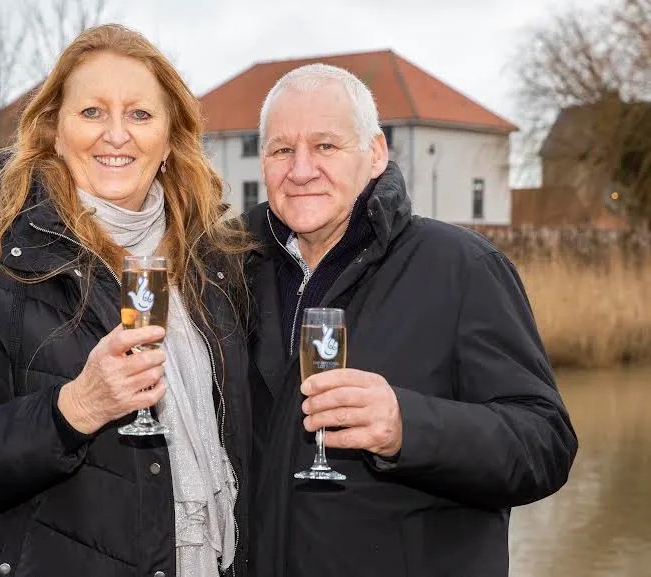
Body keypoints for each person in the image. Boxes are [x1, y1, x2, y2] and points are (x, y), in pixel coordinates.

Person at [0, 24, 254, 577]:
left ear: (169, 139)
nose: (115, 134)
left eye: (140, 114)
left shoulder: (213, 261)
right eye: (92, 112)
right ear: (52, 130)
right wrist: (77, 407)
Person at [244, 63, 578, 577]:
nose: (302, 168)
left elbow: (545, 443)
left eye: (326, 146)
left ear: (375, 153)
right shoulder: (229, 270)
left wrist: (408, 426)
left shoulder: (462, 268)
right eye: (282, 149)